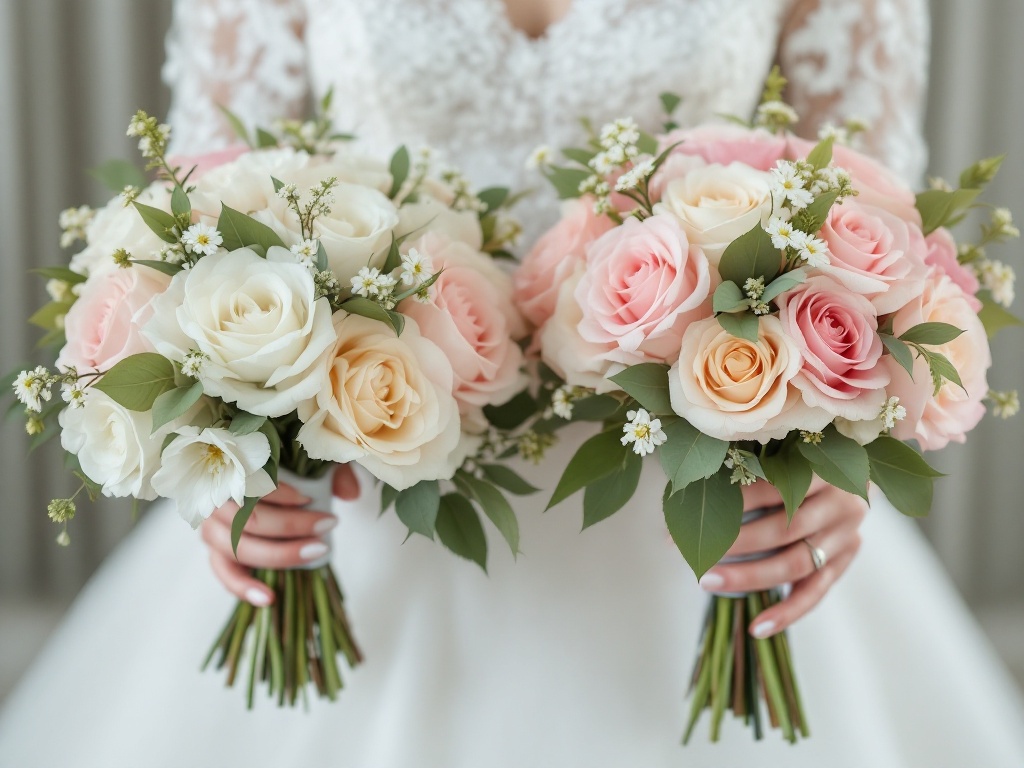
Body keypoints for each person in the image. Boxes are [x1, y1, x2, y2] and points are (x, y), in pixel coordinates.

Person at [1, 0, 1023, 765]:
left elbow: (880, 227)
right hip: (366, 460)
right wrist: (216, 453)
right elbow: (204, 213)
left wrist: (844, 454)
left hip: (704, 478)